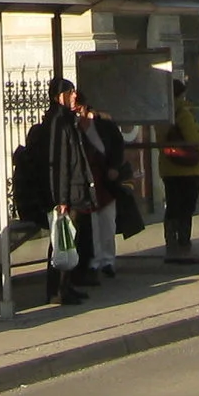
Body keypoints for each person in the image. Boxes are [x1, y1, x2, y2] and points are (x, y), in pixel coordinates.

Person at [22, 77, 97, 304]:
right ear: (59, 96)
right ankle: (57, 289)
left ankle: (66, 285)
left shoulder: (67, 119)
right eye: (70, 92)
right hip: (66, 193)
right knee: (62, 239)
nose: (75, 96)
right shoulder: (57, 122)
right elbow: (59, 162)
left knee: (69, 239)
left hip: (74, 190)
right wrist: (61, 198)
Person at [159, 76, 199, 266]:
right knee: (186, 209)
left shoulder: (162, 112)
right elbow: (194, 137)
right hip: (189, 168)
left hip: (168, 168)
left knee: (172, 206)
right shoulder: (183, 113)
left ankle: (171, 244)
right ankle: (183, 244)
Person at [81, 100, 130, 282]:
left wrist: (114, 167)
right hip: (87, 182)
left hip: (105, 181)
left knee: (107, 222)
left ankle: (108, 260)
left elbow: (117, 146)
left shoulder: (104, 124)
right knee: (92, 225)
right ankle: (94, 260)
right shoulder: (73, 126)